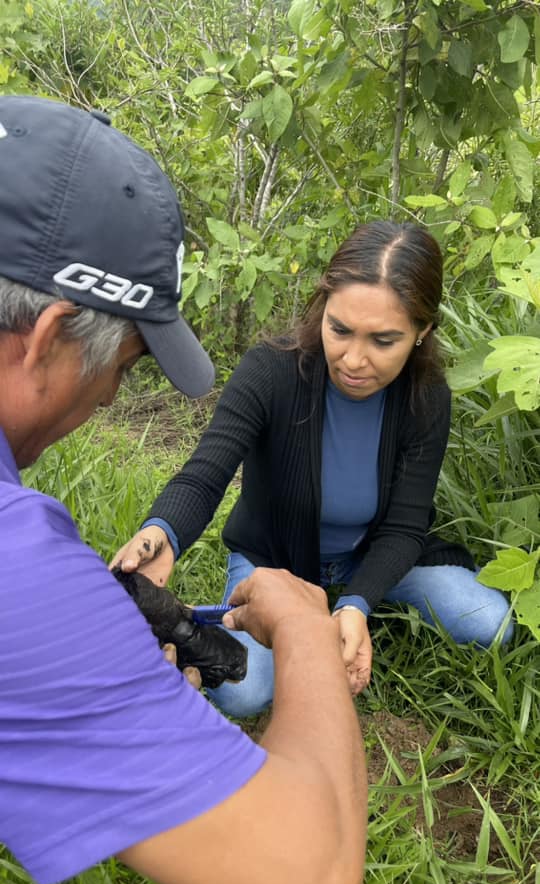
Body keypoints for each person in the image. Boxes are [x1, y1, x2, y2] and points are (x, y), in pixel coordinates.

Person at [0, 94, 367, 884]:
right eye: (124, 369)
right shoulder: (17, 566)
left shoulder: (418, 407)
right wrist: (309, 626)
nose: (110, 401)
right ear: (49, 335)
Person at [113, 220, 514, 718]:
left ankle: (342, 608)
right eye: (339, 329)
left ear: (422, 331)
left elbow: (407, 526)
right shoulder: (270, 371)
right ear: (323, 308)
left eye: (383, 340)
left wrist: (358, 603)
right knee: (244, 691)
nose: (353, 359)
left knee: (489, 623)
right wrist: (162, 533)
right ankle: (227, 619)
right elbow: (206, 472)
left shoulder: (426, 397)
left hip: (369, 555)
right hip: (275, 557)